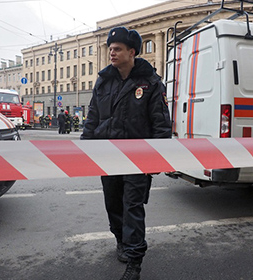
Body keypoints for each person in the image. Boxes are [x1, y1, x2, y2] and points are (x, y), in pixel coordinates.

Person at [81, 26, 171, 280]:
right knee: (113, 204)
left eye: (117, 49)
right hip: (107, 156)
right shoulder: (104, 80)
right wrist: (83, 149)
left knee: (132, 207)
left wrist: (158, 158)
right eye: (110, 48)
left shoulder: (151, 82)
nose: (112, 52)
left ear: (132, 52)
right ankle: (120, 240)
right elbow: (93, 117)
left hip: (138, 159)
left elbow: (161, 123)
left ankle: (134, 261)